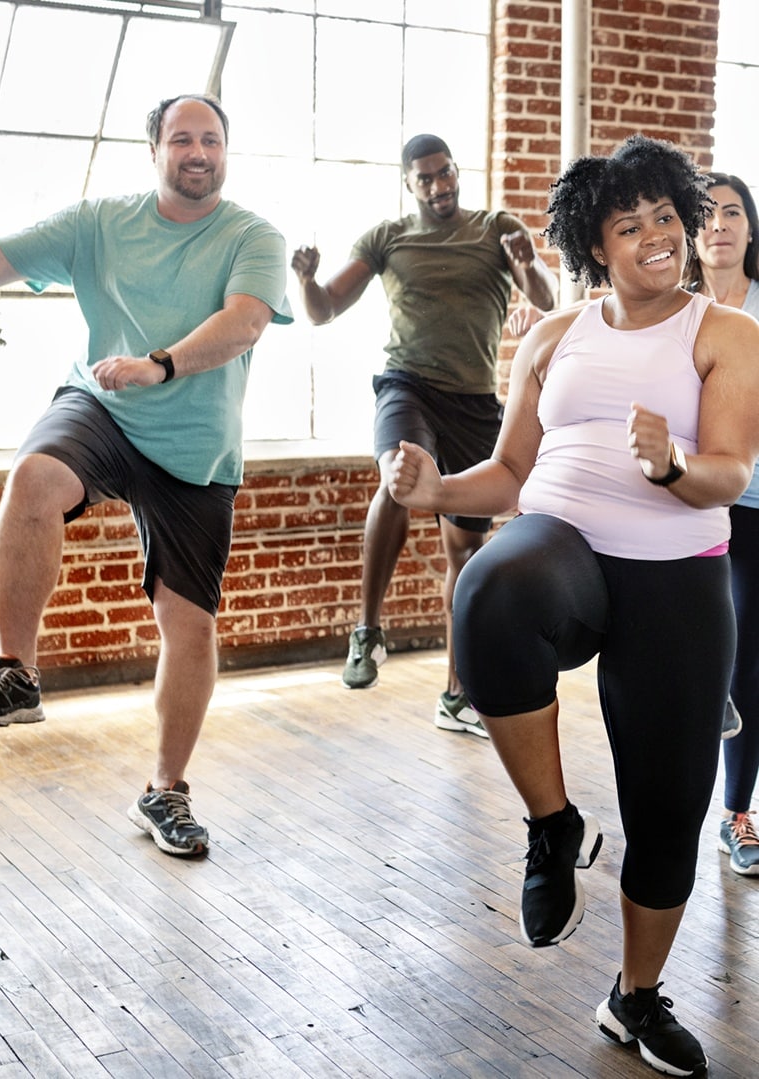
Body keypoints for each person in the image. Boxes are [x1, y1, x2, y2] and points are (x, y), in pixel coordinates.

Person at [388, 133, 759, 1075]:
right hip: (562, 545)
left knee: (669, 811)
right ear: (596, 244)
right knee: (488, 590)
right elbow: (510, 470)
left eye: (667, 217)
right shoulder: (554, 337)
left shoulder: (724, 333)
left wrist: (671, 465)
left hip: (676, 573)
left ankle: (635, 996)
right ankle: (552, 826)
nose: (657, 237)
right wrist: (436, 491)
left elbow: (729, 471)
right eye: (630, 226)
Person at [0, 93, 291, 857]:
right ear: (154, 150)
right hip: (105, 407)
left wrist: (160, 364)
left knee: (189, 624)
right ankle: (16, 672)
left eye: (211, 139)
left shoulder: (255, 235)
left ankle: (165, 789)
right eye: (181, 139)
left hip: (196, 447)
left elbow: (246, 321)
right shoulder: (99, 224)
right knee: (33, 478)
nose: (198, 152)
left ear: (225, 150)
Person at [291, 133, 556, 736]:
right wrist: (305, 280)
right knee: (399, 475)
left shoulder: (495, 228)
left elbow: (542, 297)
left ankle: (458, 695)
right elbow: (322, 308)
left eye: (446, 173)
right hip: (406, 385)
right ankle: (367, 630)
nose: (440, 186)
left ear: (456, 172)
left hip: (473, 404)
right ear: (409, 184)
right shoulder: (387, 237)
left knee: (466, 552)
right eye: (426, 178)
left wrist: (524, 261)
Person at [686, 172, 759, 875]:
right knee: (709, 648)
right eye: (706, 215)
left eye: (733, 212)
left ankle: (736, 814)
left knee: (750, 654)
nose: (719, 225)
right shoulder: (677, 312)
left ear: (750, 227)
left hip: (755, 504)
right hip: (691, 501)